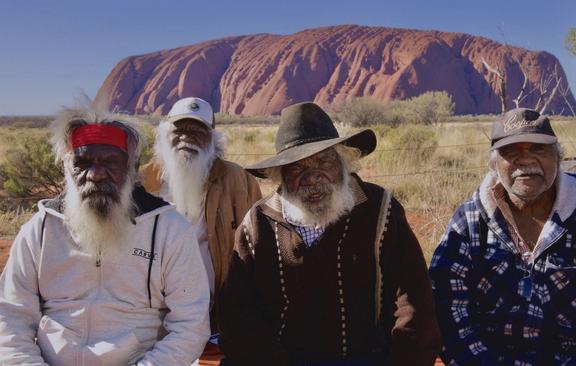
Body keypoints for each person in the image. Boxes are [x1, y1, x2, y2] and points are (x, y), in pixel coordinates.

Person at [218, 102, 441, 366]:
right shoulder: (257, 223)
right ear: (281, 176)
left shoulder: (380, 208)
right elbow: (238, 315)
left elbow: (414, 302)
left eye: (324, 161)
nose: (312, 178)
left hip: (368, 360)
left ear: (344, 162)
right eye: (296, 168)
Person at [429, 108, 576, 365]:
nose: (526, 160)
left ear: (558, 157)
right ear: (494, 163)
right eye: (512, 152)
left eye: (538, 149)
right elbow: (448, 315)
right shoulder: (468, 223)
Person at [0, 107, 210, 365]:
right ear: (67, 168)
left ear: (131, 170)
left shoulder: (169, 229)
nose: (96, 174)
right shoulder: (41, 229)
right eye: (82, 162)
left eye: (110, 163)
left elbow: (191, 324)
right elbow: (10, 317)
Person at [139, 97, 261, 361]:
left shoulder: (239, 181)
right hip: (151, 320)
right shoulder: (141, 182)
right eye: (179, 129)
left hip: (217, 317)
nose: (186, 137)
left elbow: (258, 249)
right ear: (164, 134)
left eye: (197, 131)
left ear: (213, 140)